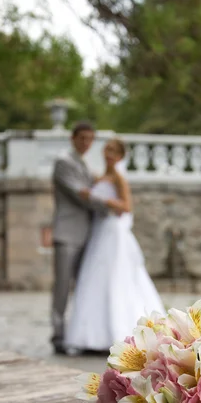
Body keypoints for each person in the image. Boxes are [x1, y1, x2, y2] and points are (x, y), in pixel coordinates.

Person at [65, 138, 165, 352]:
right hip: (100, 230)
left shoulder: (119, 178)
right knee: (95, 278)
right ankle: (91, 335)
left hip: (113, 230)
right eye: (106, 149)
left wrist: (101, 200)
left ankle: (120, 332)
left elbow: (126, 207)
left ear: (120, 156)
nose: (108, 153)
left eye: (113, 151)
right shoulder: (101, 176)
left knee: (116, 278)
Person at [51, 122, 122, 356]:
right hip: (67, 233)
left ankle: (82, 334)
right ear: (72, 138)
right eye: (82, 138)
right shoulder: (64, 162)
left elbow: (97, 188)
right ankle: (58, 335)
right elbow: (81, 194)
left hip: (89, 235)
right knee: (62, 286)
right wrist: (110, 206)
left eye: (90, 139)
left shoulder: (85, 165)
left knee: (85, 287)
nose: (86, 143)